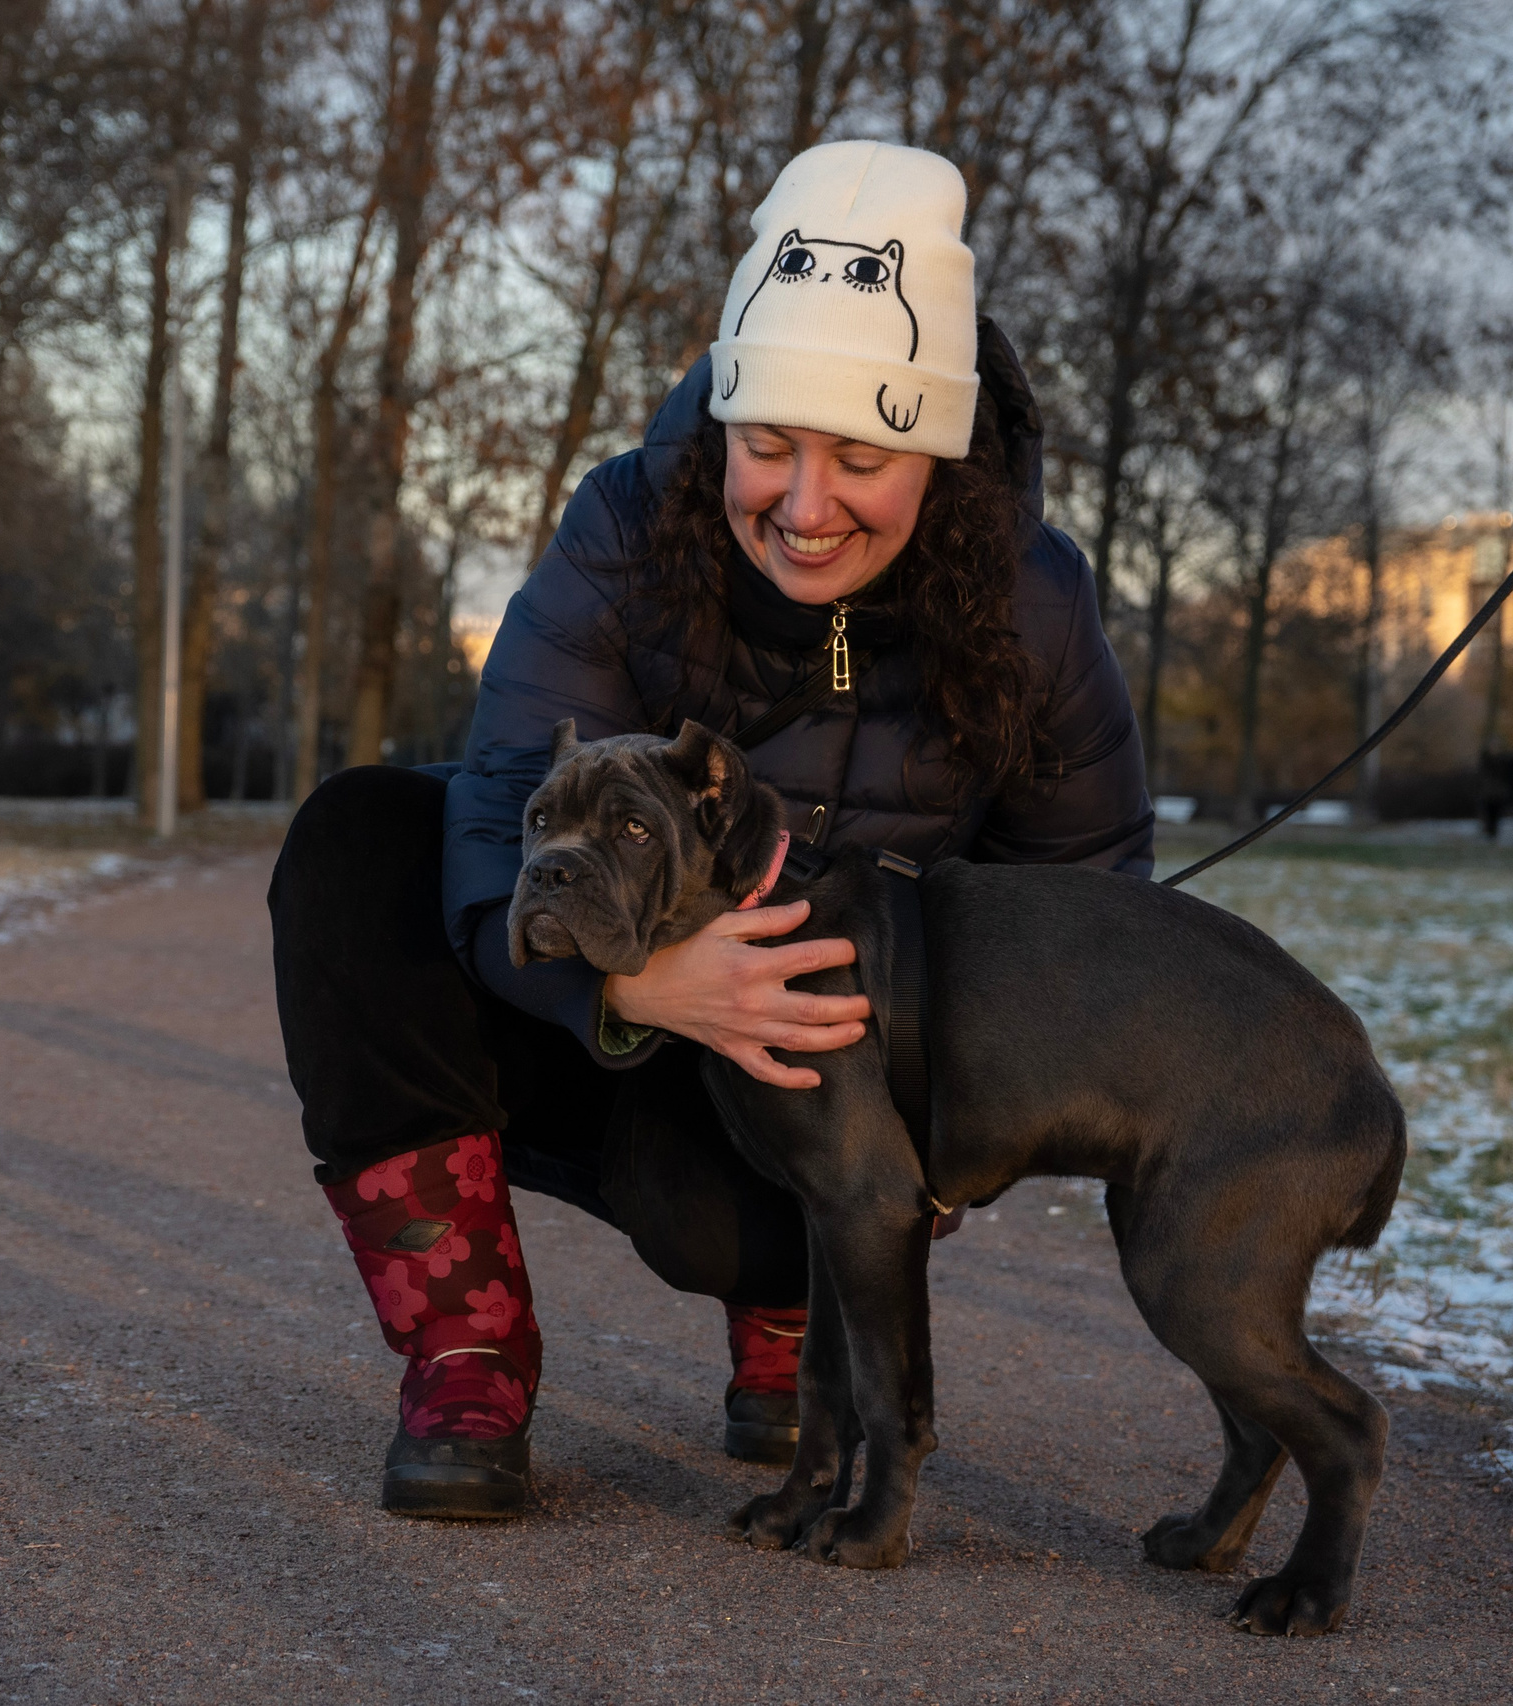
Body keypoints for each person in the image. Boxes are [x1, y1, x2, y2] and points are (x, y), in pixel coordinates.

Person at [269, 141, 1153, 1518]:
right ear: (724, 420)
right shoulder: (628, 522)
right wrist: (627, 984)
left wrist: (950, 1129)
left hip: (834, 1090)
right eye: (769, 445)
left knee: (722, 1223)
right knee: (362, 838)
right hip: (607, 1024)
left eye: (861, 455)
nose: (805, 508)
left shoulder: (1032, 600)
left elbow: (1086, 894)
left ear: (931, 447)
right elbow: (504, 816)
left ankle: (802, 1307)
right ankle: (464, 1347)